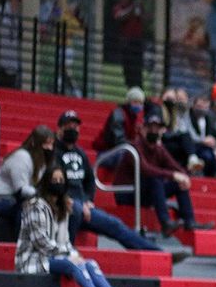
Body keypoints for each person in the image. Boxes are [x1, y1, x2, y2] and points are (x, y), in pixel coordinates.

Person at [17, 166, 142, 287]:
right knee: (72, 263)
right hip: (32, 259)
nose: (58, 183)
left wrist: (74, 253)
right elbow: (40, 243)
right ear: (46, 182)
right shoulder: (36, 206)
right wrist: (68, 254)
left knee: (89, 263)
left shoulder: (63, 206)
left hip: (54, 256)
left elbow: (65, 241)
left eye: (61, 180)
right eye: (54, 180)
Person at [54, 110, 174, 256]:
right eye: (68, 126)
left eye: (75, 126)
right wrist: (75, 203)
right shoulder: (53, 152)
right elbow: (54, 186)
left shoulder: (80, 153)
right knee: (75, 212)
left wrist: (87, 200)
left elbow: (90, 181)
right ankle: (65, 255)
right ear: (59, 128)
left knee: (115, 224)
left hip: (83, 206)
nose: (72, 129)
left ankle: (157, 254)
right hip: (63, 206)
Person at [113, 114, 213, 237]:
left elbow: (172, 165)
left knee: (177, 184)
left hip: (145, 191)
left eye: (157, 128)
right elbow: (146, 170)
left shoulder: (158, 148)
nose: (154, 131)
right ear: (143, 129)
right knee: (156, 179)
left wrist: (185, 174)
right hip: (128, 193)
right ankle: (165, 223)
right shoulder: (134, 148)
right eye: (150, 128)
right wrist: (174, 175)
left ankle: (190, 221)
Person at [0, 125, 54, 228]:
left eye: (51, 144)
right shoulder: (22, 157)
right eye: (46, 144)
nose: (50, 148)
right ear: (37, 143)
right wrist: (41, 195)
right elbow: (21, 189)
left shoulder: (41, 162)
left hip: (16, 201)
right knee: (30, 211)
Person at [92, 86, 153, 171]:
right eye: (135, 102)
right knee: (131, 154)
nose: (138, 106)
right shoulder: (118, 115)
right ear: (128, 102)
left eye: (140, 103)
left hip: (120, 151)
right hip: (108, 153)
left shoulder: (133, 117)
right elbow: (119, 141)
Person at [111, 0, 145, 89]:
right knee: (128, 75)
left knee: (137, 74)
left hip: (136, 44)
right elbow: (120, 17)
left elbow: (143, 18)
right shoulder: (118, 7)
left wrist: (138, 9)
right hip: (126, 45)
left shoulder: (136, 6)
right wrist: (132, 8)